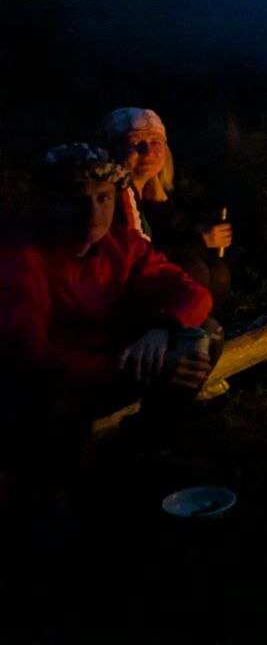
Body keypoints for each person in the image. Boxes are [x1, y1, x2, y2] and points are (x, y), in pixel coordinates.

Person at [0, 144, 219, 485]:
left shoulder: (122, 244)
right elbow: (31, 356)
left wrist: (163, 328)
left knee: (204, 334)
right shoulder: (25, 257)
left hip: (116, 360)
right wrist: (128, 367)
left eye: (103, 198)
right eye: (77, 200)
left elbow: (194, 293)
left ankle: (147, 443)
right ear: (51, 204)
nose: (93, 213)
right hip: (61, 382)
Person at [100, 107, 233, 310]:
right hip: (119, 294)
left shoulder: (152, 193)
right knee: (191, 271)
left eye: (156, 142)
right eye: (136, 142)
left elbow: (167, 236)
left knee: (217, 271)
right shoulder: (115, 197)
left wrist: (199, 233)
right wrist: (202, 240)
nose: (148, 151)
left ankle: (200, 327)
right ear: (114, 150)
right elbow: (140, 258)